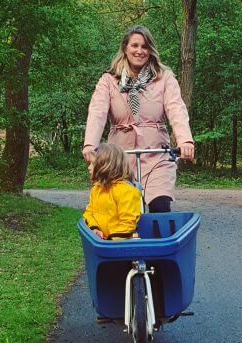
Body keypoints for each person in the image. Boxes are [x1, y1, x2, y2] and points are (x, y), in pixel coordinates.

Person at [82, 26, 194, 213]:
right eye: (135, 45)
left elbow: (176, 109)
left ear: (150, 50)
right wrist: (89, 145)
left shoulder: (164, 78)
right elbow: (97, 113)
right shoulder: (109, 80)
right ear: (125, 48)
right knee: (122, 209)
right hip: (119, 157)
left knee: (160, 204)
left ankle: (159, 241)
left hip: (156, 153)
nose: (139, 51)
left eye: (145, 46)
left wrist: (185, 140)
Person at [83, 143, 141, 240]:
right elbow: (89, 213)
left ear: (105, 166)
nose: (89, 168)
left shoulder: (126, 191)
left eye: (92, 164)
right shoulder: (97, 189)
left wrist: (110, 243)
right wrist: (94, 228)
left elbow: (127, 224)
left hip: (122, 245)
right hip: (102, 242)